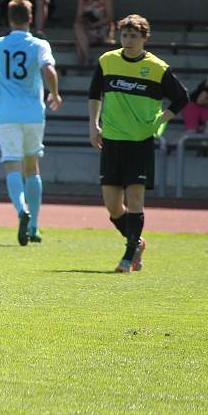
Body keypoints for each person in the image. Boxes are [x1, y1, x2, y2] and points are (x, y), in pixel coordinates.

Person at [88, 14, 188, 272]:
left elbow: (181, 98)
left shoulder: (157, 68)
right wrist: (93, 125)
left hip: (140, 142)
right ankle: (137, 242)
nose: (128, 40)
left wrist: (160, 120)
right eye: (125, 35)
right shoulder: (107, 61)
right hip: (112, 139)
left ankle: (129, 255)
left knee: (135, 199)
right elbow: (94, 94)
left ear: (145, 38)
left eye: (134, 36)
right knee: (112, 205)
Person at [0, 0, 62, 245]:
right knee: (32, 166)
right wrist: (55, 93)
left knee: (12, 165)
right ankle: (34, 225)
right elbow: (48, 71)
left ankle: (20, 209)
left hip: (7, 115)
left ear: (9, 18)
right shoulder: (39, 44)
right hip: (34, 113)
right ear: (31, 18)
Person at [74, 0, 115, 66]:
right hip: (88, 29)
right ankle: (86, 60)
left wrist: (94, 24)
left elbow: (110, 17)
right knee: (78, 27)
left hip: (102, 28)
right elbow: (78, 17)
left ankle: (82, 64)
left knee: (79, 41)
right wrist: (85, 19)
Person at [181, 64, 208, 140]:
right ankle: (171, 146)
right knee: (191, 131)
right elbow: (200, 100)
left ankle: (204, 145)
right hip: (191, 105)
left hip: (205, 107)